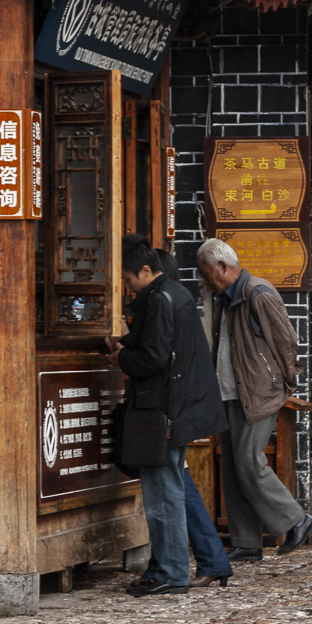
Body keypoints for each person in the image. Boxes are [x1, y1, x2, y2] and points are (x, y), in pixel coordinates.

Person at [110, 237, 229, 596]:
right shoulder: (175, 293)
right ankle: (168, 567)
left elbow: (154, 358)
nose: (129, 286)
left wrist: (121, 358)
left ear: (146, 271)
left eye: (129, 279)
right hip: (175, 407)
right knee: (171, 490)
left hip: (163, 408)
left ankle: (171, 572)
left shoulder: (161, 299)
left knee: (163, 496)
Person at [197, 238, 312, 562]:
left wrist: (285, 382)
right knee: (234, 468)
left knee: (250, 462)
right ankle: (247, 541)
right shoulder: (224, 298)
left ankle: (297, 519)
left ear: (222, 267)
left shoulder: (257, 293)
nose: (205, 281)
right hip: (230, 393)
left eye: (206, 273)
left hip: (258, 393)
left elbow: (286, 341)